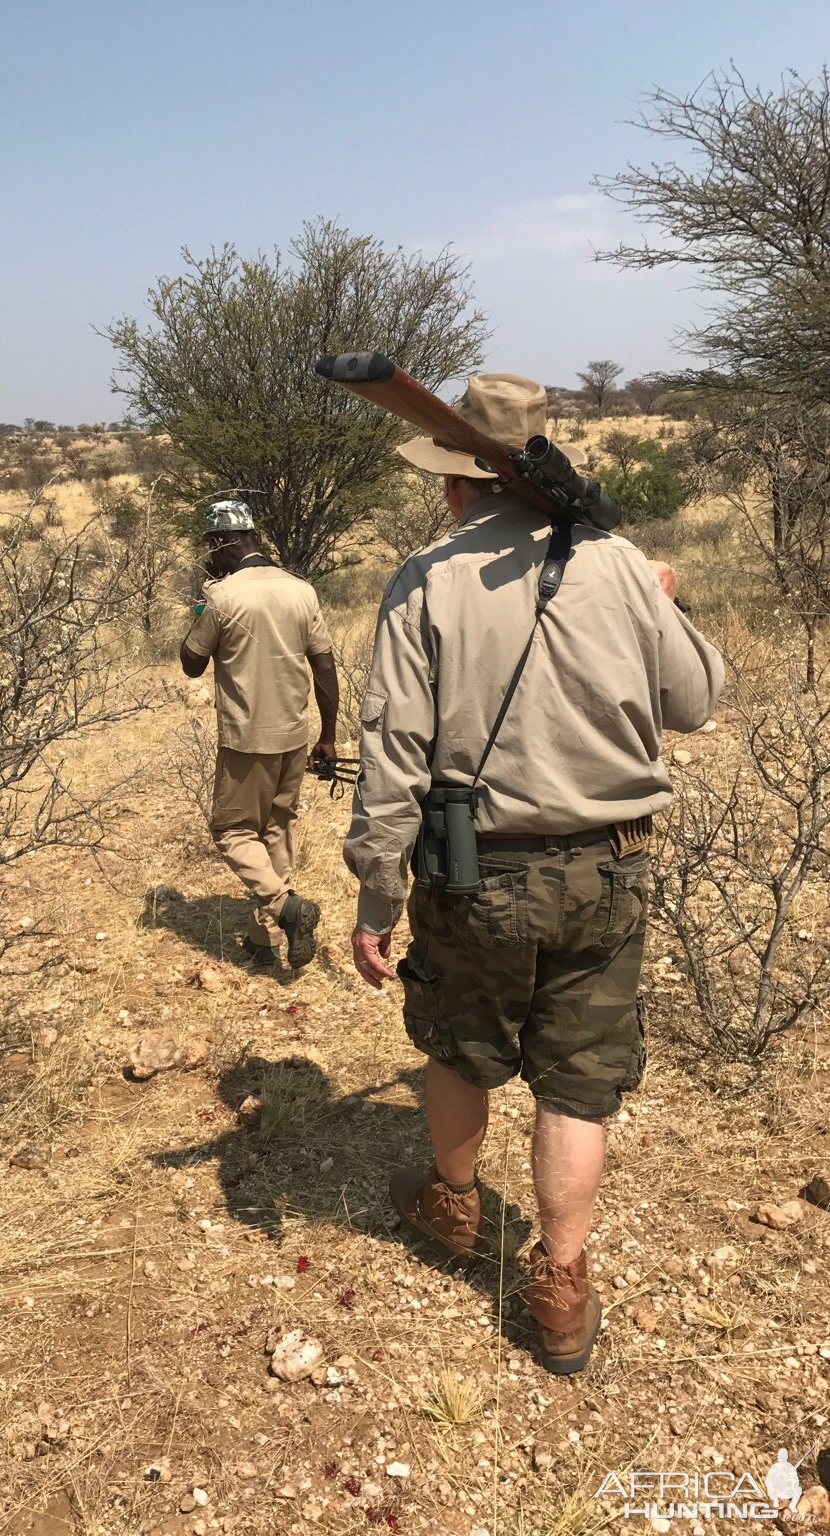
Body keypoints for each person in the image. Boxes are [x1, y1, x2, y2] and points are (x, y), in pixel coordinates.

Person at [342, 374, 724, 1374]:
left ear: (461, 485)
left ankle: (455, 1206)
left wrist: (377, 898)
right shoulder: (621, 563)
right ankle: (560, 1286)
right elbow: (698, 698)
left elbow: (393, 762)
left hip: (478, 874)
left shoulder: (426, 579)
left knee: (462, 1043)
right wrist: (662, 604)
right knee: (576, 1080)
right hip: (614, 869)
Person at [180, 499, 338, 969]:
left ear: (222, 542)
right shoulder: (301, 590)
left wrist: (202, 600)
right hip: (293, 733)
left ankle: (287, 909)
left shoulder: (224, 596)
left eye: (212, 546)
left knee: (231, 830)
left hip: (247, 738)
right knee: (278, 829)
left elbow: (191, 663)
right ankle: (264, 940)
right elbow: (325, 666)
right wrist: (327, 737)